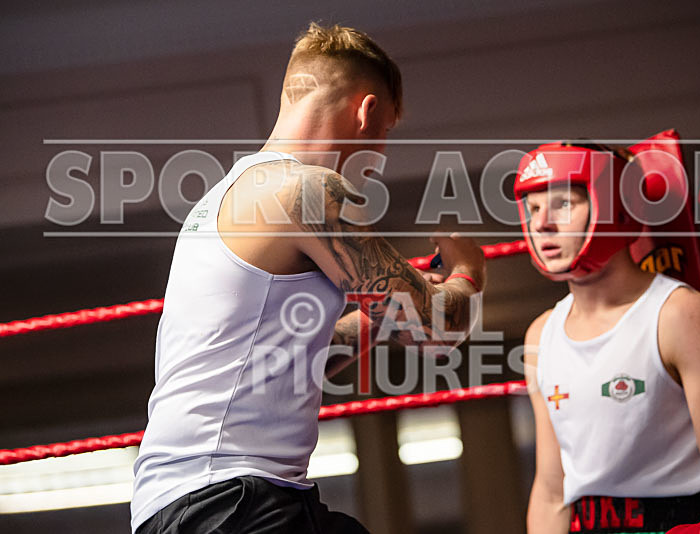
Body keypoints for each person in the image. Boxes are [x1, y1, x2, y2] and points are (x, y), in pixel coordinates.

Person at [130, 23, 486, 534]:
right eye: (384, 131)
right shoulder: (307, 190)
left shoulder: (222, 198)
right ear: (365, 112)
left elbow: (292, 359)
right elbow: (434, 331)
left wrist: (375, 306)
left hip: (191, 504)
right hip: (231, 502)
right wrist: (468, 271)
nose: (379, 159)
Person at [515, 142, 700, 533]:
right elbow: (550, 489)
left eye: (562, 204)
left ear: (617, 207)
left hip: (681, 524)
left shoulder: (678, 314)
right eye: (533, 209)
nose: (542, 223)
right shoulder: (540, 335)